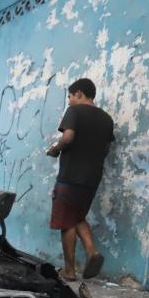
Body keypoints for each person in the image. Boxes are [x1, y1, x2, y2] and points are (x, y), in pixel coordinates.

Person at [46, 78, 114, 281]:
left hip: (70, 177)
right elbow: (107, 148)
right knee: (77, 217)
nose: (68, 101)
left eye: (69, 96)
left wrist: (55, 149)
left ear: (79, 94)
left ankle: (69, 270)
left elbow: (68, 137)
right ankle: (92, 252)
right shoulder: (107, 119)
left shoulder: (74, 112)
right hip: (92, 180)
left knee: (66, 222)